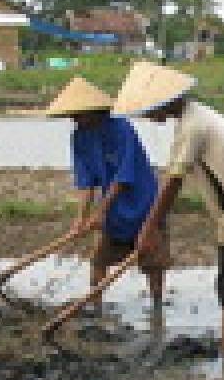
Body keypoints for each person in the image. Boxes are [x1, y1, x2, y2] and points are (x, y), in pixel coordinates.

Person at [112, 61, 224, 357]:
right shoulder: (197, 114)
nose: (149, 117)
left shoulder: (192, 126)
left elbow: (172, 182)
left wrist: (148, 229)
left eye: (149, 110)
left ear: (163, 102)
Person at [42, 76, 166, 308]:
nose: (75, 119)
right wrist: (81, 219)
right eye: (72, 115)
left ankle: (157, 308)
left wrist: (99, 212)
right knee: (99, 260)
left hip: (144, 202)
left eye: (79, 114)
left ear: (94, 110)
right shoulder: (79, 136)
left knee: (153, 262)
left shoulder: (121, 129)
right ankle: (95, 305)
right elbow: (85, 180)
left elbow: (124, 175)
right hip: (115, 209)